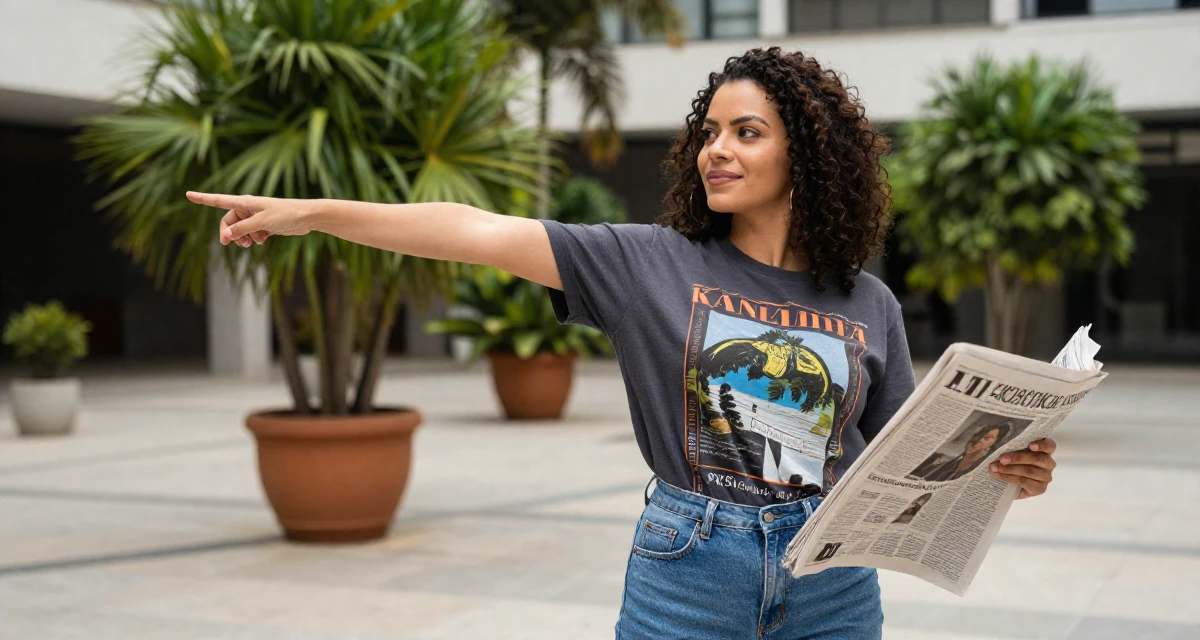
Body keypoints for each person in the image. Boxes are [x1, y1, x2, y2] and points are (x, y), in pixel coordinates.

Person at [187, 47, 1059, 640]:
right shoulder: (646, 262)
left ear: (811, 154)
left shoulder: (868, 302)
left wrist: (1005, 472)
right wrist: (313, 214)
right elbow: (472, 228)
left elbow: (904, 462)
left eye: (746, 133)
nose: (716, 150)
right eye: (709, 132)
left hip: (830, 581)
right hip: (690, 567)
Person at [911, 422, 1012, 483]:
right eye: (979, 434)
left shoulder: (986, 463)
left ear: (994, 443)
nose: (980, 439)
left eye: (987, 438)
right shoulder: (943, 455)